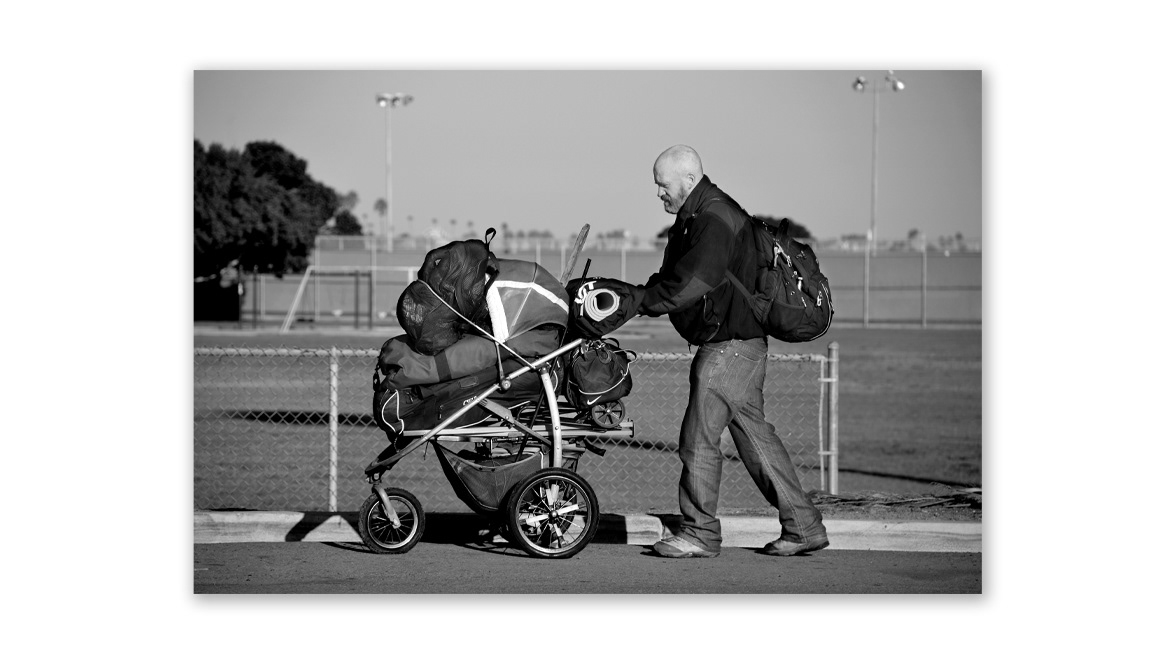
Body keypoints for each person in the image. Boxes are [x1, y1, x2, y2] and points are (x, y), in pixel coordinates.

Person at [638, 145, 829, 558]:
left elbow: (696, 281)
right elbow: (673, 277)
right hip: (742, 347)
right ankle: (804, 527)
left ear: (689, 180)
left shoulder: (715, 217)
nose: (658, 192)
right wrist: (633, 296)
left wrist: (641, 302)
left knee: (698, 440)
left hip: (730, 348)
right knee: (755, 440)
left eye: (663, 184)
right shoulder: (697, 218)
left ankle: (699, 532)